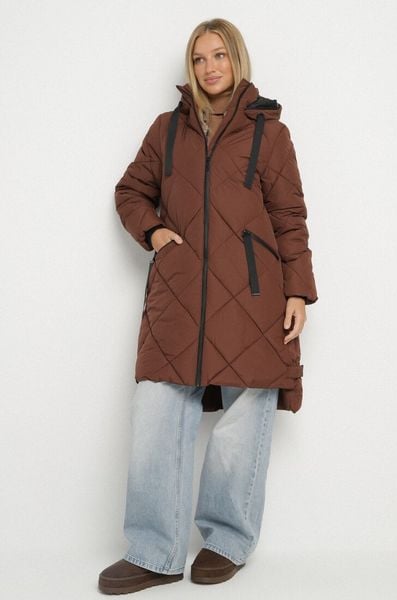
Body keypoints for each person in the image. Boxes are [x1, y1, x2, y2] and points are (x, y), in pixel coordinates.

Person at [98, 17, 318, 595]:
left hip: (252, 296)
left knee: (244, 420)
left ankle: (226, 540)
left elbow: (289, 217)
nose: (209, 67)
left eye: (218, 55)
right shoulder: (167, 130)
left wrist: (298, 290)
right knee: (157, 412)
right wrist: (154, 233)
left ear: (236, 59)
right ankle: (155, 551)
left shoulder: (270, 132)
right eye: (199, 58)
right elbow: (130, 191)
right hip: (177, 294)